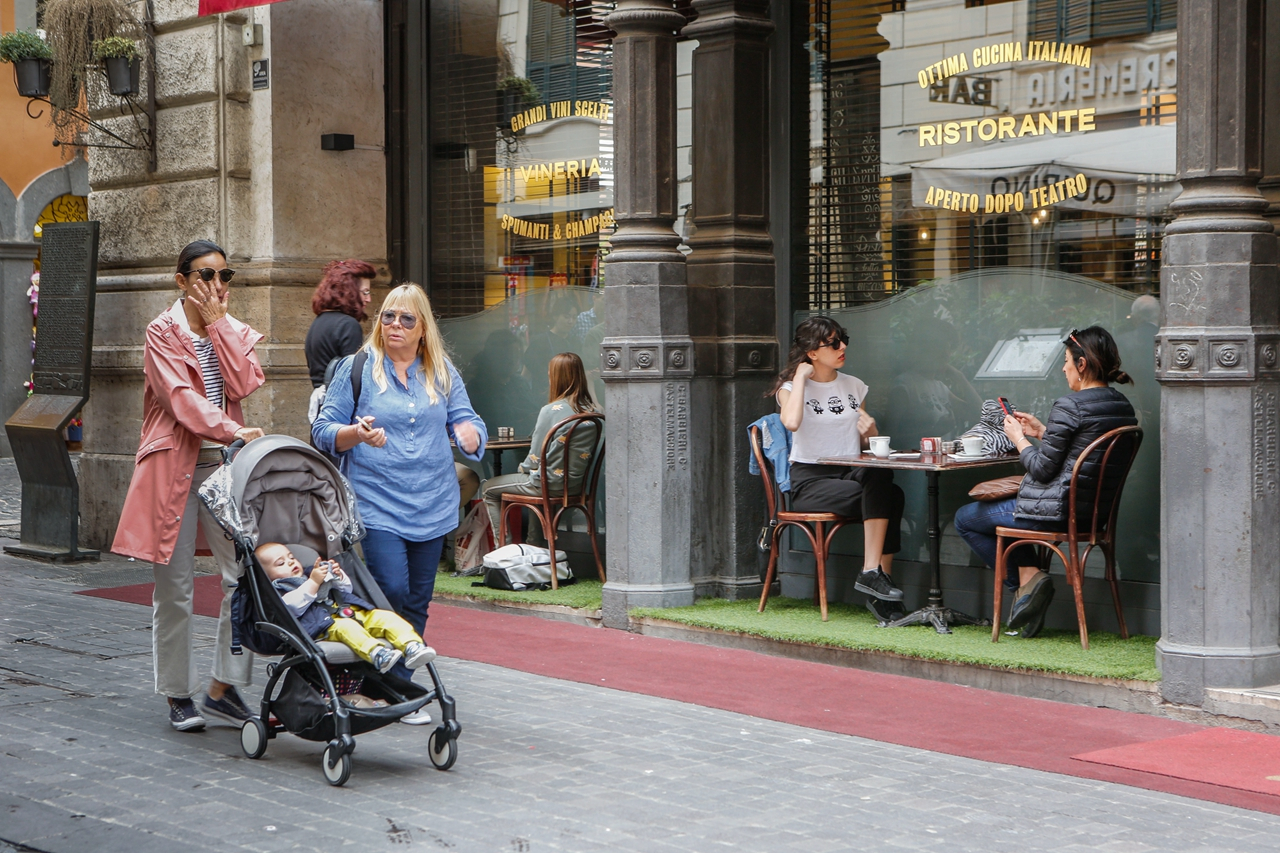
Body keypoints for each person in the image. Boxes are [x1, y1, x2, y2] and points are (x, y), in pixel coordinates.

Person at [112, 240, 265, 732]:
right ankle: (179, 693)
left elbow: (243, 384)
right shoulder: (161, 332)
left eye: (225, 276)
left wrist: (219, 325)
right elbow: (179, 399)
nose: (216, 286)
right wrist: (231, 430)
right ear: (181, 280)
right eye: (204, 275)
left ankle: (223, 686)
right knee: (174, 587)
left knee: (242, 577)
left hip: (224, 467)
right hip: (173, 466)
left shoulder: (230, 328)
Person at [312, 283, 486, 651]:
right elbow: (323, 431)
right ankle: (383, 673)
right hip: (378, 502)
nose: (396, 325)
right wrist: (356, 434)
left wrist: (469, 434)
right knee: (391, 588)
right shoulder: (355, 368)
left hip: (433, 502)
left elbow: (468, 419)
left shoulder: (442, 371)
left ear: (423, 328)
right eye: (388, 316)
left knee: (419, 599)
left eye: (407, 319)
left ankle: (401, 686)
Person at [952, 326, 1138, 638]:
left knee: (966, 519)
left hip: (1056, 512)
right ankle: (1030, 582)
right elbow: (1080, 453)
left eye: (1067, 360)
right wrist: (1041, 432)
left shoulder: (1072, 405)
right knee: (1002, 513)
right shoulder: (1121, 406)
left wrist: (1018, 439)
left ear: (1082, 365)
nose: (1064, 367)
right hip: (1092, 513)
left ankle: (1026, 584)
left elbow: (1041, 470)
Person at [772, 317, 907, 621]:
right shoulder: (790, 389)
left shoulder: (854, 385)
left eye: (843, 339)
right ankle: (877, 582)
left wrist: (871, 432)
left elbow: (867, 443)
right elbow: (791, 423)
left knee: (883, 478)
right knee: (891, 496)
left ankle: (873, 573)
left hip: (851, 471)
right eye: (833, 343)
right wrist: (802, 378)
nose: (842, 347)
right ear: (812, 352)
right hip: (811, 481)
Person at [255, 543, 436, 673]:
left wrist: (338, 576)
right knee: (348, 628)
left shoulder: (312, 571)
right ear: (267, 575)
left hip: (349, 611)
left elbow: (346, 590)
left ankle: (413, 646)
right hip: (324, 626)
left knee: (386, 617)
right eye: (281, 563)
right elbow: (292, 607)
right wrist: (314, 582)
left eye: (291, 558)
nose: (290, 562)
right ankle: (378, 654)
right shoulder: (279, 590)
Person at [482, 352, 599, 538]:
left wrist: (523, 467)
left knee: (488, 488)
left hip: (548, 483)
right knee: (538, 479)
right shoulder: (592, 411)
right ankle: (534, 543)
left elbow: (534, 458)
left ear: (555, 377)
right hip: (576, 485)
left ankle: (504, 550)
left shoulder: (550, 411)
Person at [304, 258, 375, 391]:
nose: (368, 299)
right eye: (365, 292)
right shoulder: (348, 325)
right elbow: (354, 378)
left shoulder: (318, 322)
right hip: (342, 405)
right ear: (350, 292)